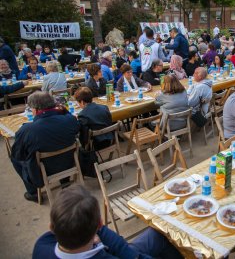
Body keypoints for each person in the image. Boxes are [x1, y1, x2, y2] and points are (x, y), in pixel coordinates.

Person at [33, 185, 183, 259]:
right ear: (100, 224)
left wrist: (97, 244)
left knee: (155, 234)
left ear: (51, 228)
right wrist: (99, 246)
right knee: (160, 235)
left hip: (104, 248)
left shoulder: (42, 245)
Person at [11, 92, 79, 202]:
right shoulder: (69, 119)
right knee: (60, 145)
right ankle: (65, 181)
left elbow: (18, 155)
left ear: (36, 109)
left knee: (15, 158)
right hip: (69, 163)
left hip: (43, 171)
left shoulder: (27, 130)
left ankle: (33, 192)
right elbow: (75, 126)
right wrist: (63, 111)